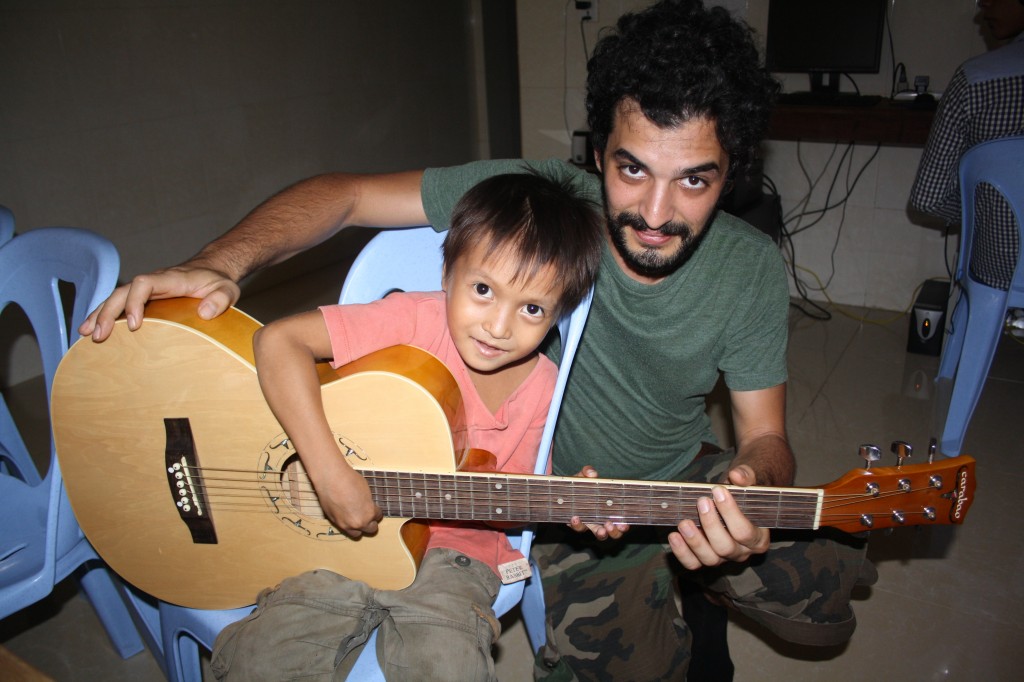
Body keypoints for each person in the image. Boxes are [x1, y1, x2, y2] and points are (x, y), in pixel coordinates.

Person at [81, 1, 872, 679]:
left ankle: (694, 575)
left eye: (693, 180)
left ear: (730, 173)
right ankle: (664, 587)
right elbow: (345, 193)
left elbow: (767, 438)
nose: (656, 211)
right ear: (597, 157)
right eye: (631, 171)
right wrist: (217, 263)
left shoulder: (751, 269)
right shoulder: (539, 209)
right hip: (547, 491)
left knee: (829, 579)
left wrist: (743, 486)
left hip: (672, 466)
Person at [211, 172, 604, 680]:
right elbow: (277, 343)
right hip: (337, 536)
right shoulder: (411, 320)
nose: (499, 326)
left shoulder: (541, 389)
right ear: (447, 274)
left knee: (447, 665)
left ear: (557, 316)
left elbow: (511, 510)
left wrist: (567, 501)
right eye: (483, 289)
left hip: (457, 550)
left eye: (531, 308)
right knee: (262, 659)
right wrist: (329, 472)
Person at [910, 0, 1024, 290]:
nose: (982, 3)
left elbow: (928, 197)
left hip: (997, 277)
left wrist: (987, 210)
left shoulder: (975, 80)